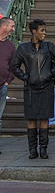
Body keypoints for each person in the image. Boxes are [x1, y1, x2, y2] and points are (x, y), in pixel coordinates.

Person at [10, 18, 55, 159]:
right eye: (42, 30)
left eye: (45, 30)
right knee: (31, 118)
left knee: (44, 118)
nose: (44, 33)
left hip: (47, 86)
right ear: (34, 31)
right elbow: (14, 66)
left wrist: (51, 73)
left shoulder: (49, 46)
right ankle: (32, 149)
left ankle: (43, 149)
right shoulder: (23, 48)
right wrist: (26, 77)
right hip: (30, 88)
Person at [0, 16, 16, 153]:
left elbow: (13, 66)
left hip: (2, 86)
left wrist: (7, 82)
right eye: (12, 26)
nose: (13, 29)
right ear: (4, 26)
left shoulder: (10, 46)